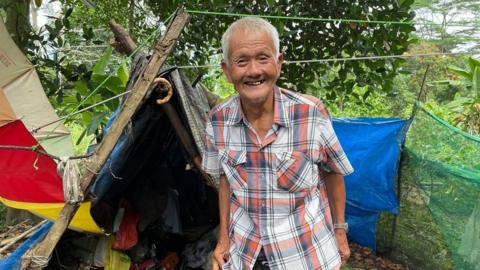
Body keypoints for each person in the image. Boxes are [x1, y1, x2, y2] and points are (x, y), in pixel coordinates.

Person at [202, 17, 354, 270]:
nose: (253, 71)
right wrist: (223, 240)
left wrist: (340, 231)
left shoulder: (311, 113)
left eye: (263, 58)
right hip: (245, 255)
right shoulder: (216, 121)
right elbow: (225, 180)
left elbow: (333, 171)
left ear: (278, 63)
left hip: (305, 255)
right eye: (241, 61)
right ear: (227, 70)